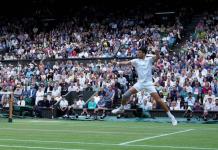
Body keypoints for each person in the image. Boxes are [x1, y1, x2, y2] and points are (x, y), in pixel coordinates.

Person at [111, 47, 177, 125]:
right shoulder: (135, 61)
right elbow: (126, 63)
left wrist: (157, 52)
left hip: (149, 84)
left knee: (159, 101)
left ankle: (171, 117)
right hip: (140, 83)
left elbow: (158, 57)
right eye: (137, 52)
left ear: (143, 53)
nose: (137, 53)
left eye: (139, 52)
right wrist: (117, 63)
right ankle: (121, 108)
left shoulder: (149, 59)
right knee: (125, 95)